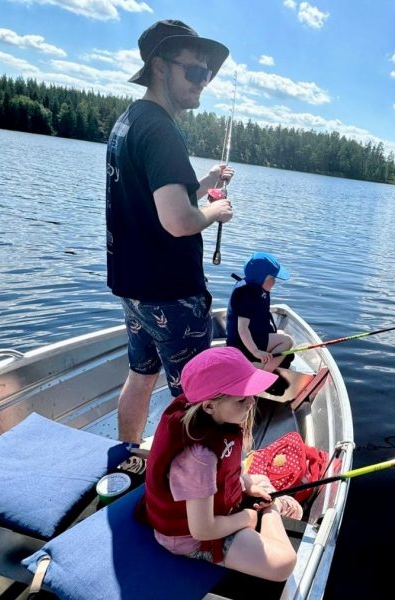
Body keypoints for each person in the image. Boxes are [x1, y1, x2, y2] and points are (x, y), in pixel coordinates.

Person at [106, 19, 235, 443]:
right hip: (171, 293)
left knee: (141, 375)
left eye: (207, 73)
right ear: (160, 67)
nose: (203, 82)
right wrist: (214, 210)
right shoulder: (162, 129)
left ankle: (126, 453)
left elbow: (158, 200)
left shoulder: (130, 121)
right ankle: (185, 482)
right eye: (194, 71)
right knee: (196, 397)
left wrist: (204, 183)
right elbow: (179, 220)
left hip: (133, 288)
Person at [138, 346, 303, 579]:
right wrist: (248, 517)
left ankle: (266, 503)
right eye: (241, 399)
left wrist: (247, 485)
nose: (251, 402)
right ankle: (272, 510)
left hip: (213, 505)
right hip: (190, 537)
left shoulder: (212, 417)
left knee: (260, 480)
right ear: (209, 406)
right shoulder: (199, 459)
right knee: (283, 564)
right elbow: (202, 530)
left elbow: (228, 471)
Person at [226, 252, 294, 374]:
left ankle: (263, 363)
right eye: (272, 278)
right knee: (287, 341)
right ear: (262, 278)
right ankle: (264, 372)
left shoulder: (255, 289)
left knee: (282, 335)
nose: (274, 281)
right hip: (242, 344)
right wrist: (256, 352)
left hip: (253, 337)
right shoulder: (247, 295)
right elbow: (242, 329)